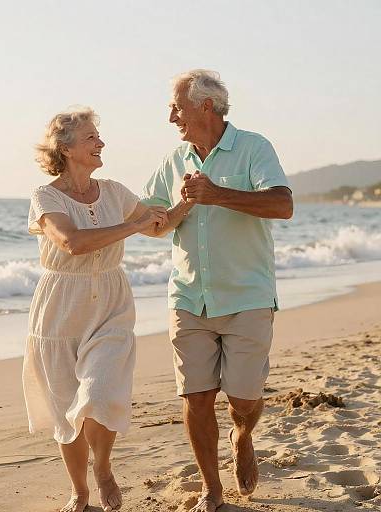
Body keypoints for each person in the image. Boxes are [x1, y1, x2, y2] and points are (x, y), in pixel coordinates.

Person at [141, 69, 293, 512]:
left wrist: (217, 194)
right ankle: (212, 487)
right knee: (196, 396)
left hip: (247, 296)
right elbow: (153, 220)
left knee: (244, 401)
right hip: (188, 296)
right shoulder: (173, 161)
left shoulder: (253, 147)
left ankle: (243, 436)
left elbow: (283, 204)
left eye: (176, 107)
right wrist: (171, 211)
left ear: (205, 106)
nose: (171, 116)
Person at [22, 107, 167, 512]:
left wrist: (187, 202)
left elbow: (158, 226)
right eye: (90, 137)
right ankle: (79, 490)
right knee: (66, 410)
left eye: (98, 136)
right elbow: (72, 242)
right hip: (59, 308)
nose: (100, 142)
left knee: (101, 393)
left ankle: (102, 468)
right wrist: (133, 226)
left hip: (110, 302)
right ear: (66, 148)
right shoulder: (45, 196)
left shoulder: (116, 192)